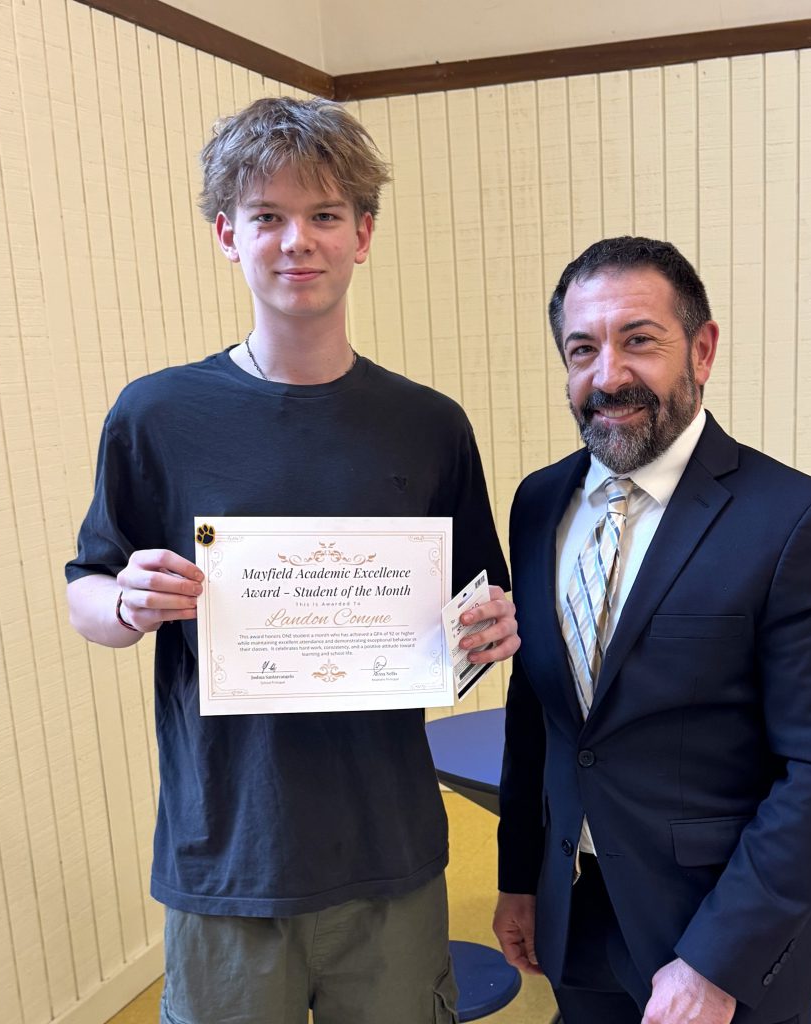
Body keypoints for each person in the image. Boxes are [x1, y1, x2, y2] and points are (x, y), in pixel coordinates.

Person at [66, 96, 519, 1024]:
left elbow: (474, 614)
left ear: (364, 233)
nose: (296, 241)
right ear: (227, 234)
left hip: (387, 847)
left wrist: (489, 631)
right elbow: (88, 592)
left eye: (324, 214)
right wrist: (126, 602)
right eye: (267, 215)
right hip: (229, 851)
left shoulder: (429, 425)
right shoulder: (156, 416)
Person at [493, 236, 811, 1024]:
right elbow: (536, 711)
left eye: (639, 340)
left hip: (723, 937)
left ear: (702, 350)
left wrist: (715, 964)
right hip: (577, 918)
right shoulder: (537, 504)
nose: (609, 376)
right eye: (582, 349)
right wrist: (518, 877)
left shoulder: (797, 521)